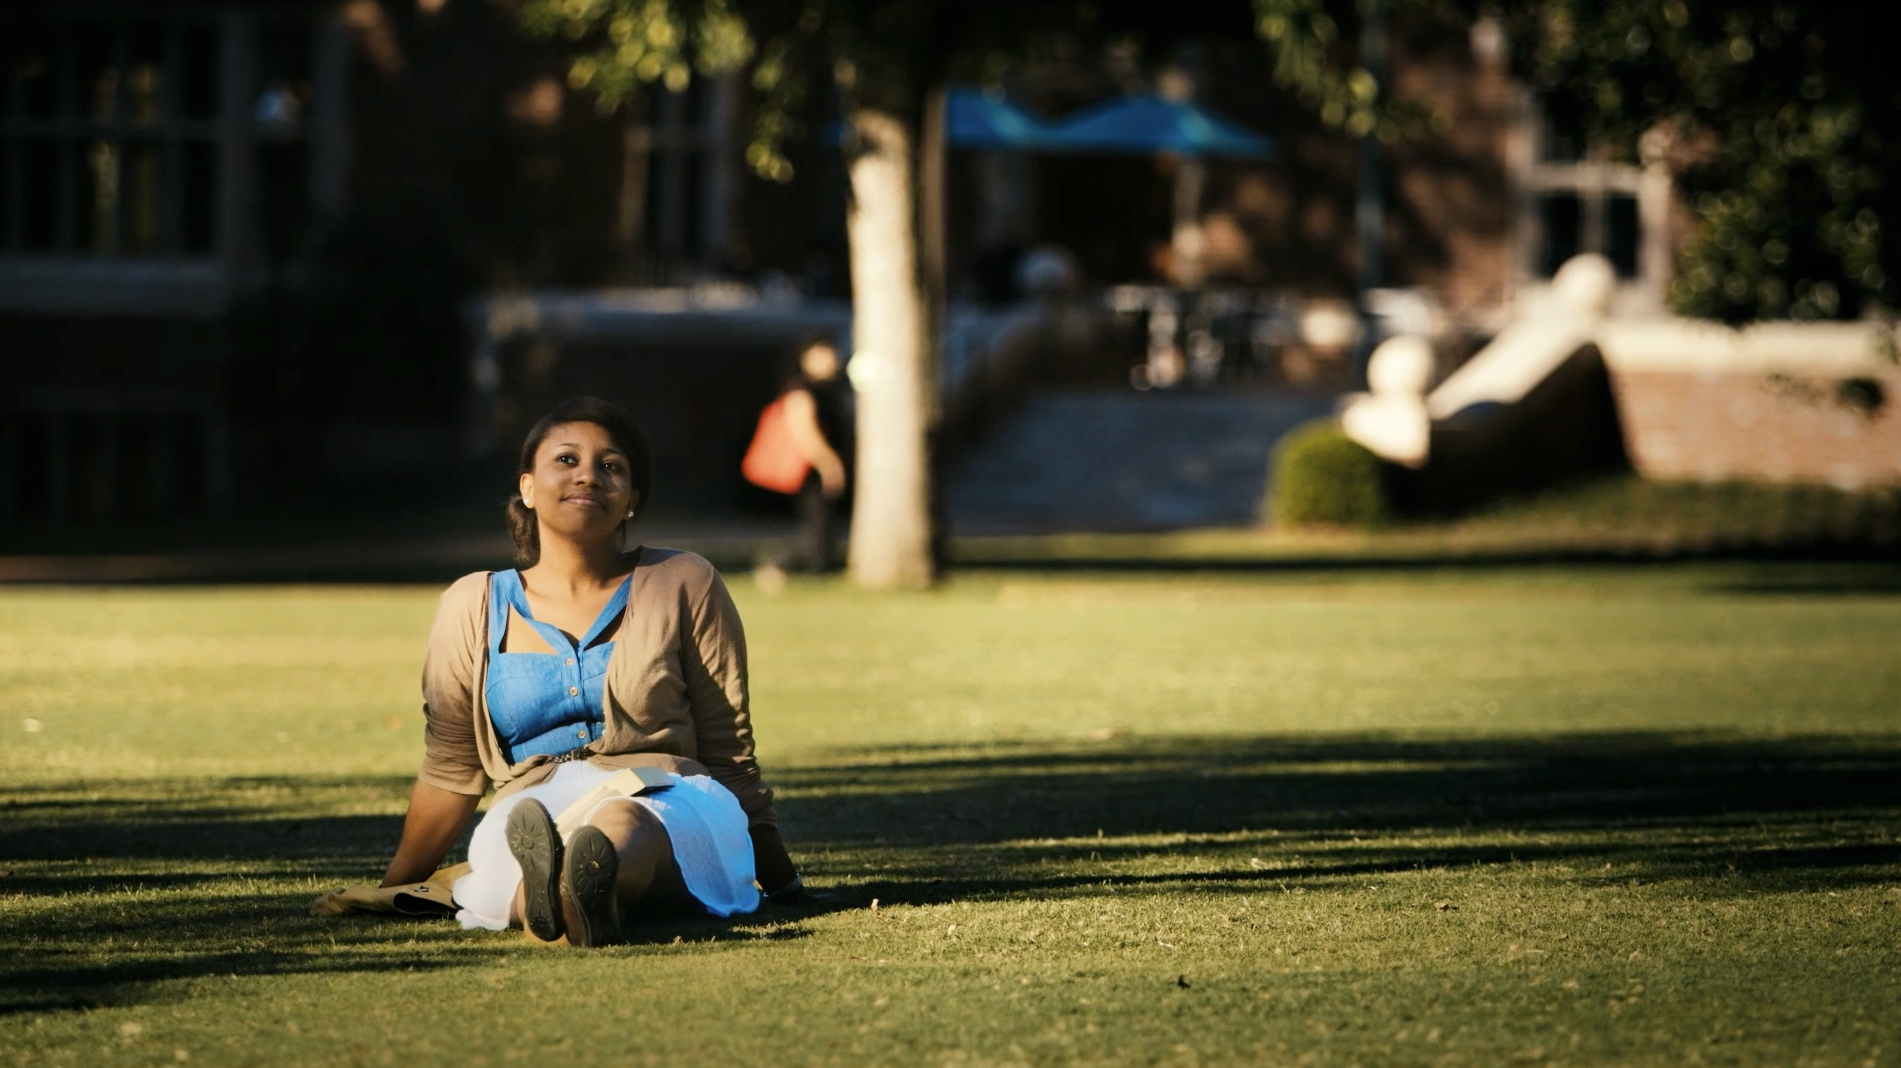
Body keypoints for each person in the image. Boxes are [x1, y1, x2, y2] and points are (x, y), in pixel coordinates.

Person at [379, 396, 804, 946]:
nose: (589, 476)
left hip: (669, 797)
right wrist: (393, 888)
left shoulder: (683, 581)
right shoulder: (472, 604)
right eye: (566, 460)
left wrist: (781, 879)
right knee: (517, 843)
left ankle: (563, 894)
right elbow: (452, 765)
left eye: (611, 467)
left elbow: (729, 749)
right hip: (531, 806)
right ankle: (567, 902)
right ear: (527, 488)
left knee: (622, 824)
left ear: (632, 500)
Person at [778, 337, 850, 572]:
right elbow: (805, 432)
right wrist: (829, 464)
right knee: (816, 522)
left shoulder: (832, 388)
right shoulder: (802, 390)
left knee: (825, 521)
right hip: (808, 469)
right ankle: (806, 568)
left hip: (819, 466)